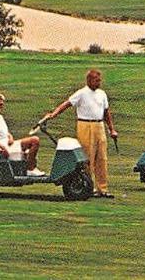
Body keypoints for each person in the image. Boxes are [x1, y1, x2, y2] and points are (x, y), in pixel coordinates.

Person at [47, 69, 117, 197]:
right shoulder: (81, 93)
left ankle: (102, 188)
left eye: (100, 80)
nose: (99, 83)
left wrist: (111, 129)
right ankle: (87, 187)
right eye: (96, 81)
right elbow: (67, 104)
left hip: (99, 125)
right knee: (87, 157)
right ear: (89, 80)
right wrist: (55, 113)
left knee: (101, 157)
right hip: (85, 124)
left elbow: (106, 112)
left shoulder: (102, 94)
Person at [0, 93, 44, 176]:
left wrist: (10, 137)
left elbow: (5, 132)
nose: (1, 107)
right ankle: (30, 169)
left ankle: (31, 167)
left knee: (34, 141)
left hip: (9, 143)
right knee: (34, 140)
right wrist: (3, 148)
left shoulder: (0, 117)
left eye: (1, 105)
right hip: (2, 146)